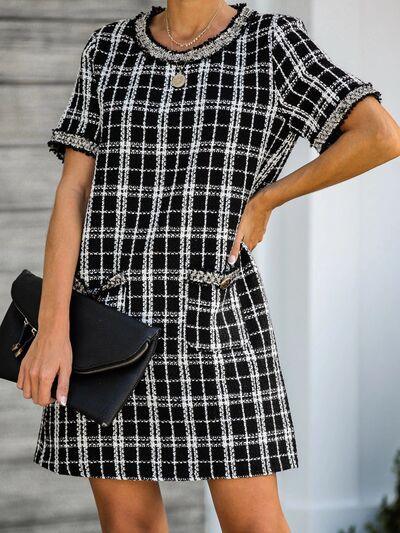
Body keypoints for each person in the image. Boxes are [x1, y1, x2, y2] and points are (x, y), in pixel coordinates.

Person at [16, 1, 400, 532]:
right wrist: (53, 328)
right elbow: (74, 193)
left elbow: (379, 135)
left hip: (216, 316)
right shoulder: (107, 49)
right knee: (129, 526)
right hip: (108, 324)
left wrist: (267, 199)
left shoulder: (272, 42)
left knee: (254, 526)